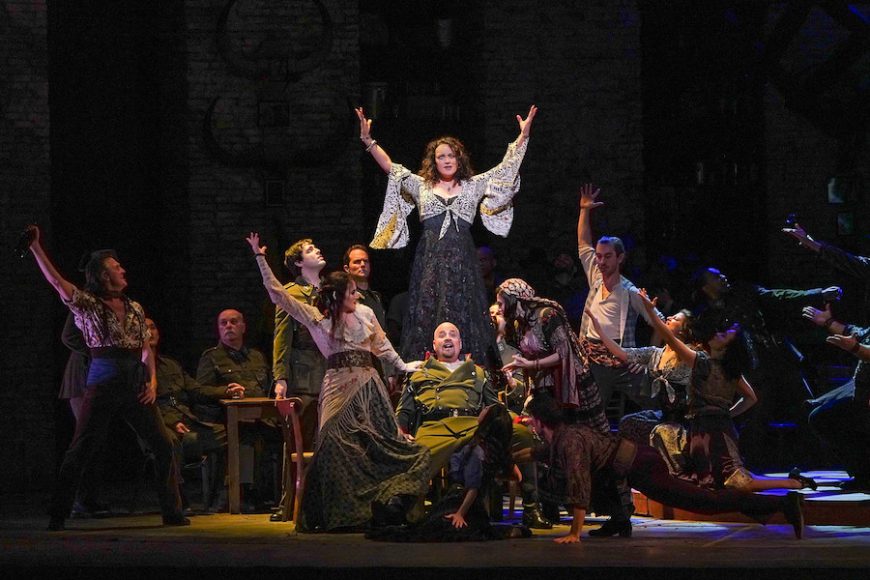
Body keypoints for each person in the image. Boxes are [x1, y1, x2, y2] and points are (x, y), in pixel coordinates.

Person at [246, 232, 430, 531]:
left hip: (369, 387)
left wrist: (404, 365)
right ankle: (342, 515)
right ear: (338, 294)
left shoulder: (367, 313)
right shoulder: (318, 318)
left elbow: (383, 348)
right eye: (352, 292)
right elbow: (277, 293)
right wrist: (259, 257)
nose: (357, 296)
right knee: (333, 447)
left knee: (380, 447)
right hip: (337, 387)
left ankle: (380, 508)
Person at [25, 226, 187, 531]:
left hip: (134, 384)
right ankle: (58, 512)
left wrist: (152, 382)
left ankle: (172, 511)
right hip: (104, 381)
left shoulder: (135, 308)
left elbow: (145, 348)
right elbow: (57, 283)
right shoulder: (89, 304)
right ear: (102, 275)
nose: (123, 270)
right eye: (116, 267)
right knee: (82, 447)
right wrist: (36, 247)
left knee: (162, 444)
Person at [357, 104, 537, 367]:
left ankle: (472, 371)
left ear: (459, 158)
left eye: (452, 155)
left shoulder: (472, 186)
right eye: (441, 156)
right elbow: (391, 168)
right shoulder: (422, 186)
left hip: (463, 261)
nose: (447, 160)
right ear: (434, 161)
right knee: (429, 310)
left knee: (465, 311)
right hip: (430, 261)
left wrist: (523, 136)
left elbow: (504, 169)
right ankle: (427, 368)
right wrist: (368, 140)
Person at [523, 393, 806, 542]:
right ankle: (619, 521)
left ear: (539, 420)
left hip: (642, 466)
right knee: (605, 478)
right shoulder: (562, 436)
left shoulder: (569, 441)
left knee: (704, 502)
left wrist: (574, 532)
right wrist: (516, 455)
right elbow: (543, 451)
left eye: (529, 419)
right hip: (636, 462)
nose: (528, 424)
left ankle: (783, 504)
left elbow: (578, 484)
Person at [638, 289, 817, 493]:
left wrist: (650, 311)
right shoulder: (710, 362)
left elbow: (751, 398)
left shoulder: (715, 364)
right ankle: (791, 481)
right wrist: (727, 414)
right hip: (703, 430)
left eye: (723, 335)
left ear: (727, 346)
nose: (717, 334)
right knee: (711, 481)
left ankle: (792, 483)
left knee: (736, 481)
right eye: (719, 332)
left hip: (716, 432)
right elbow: (750, 399)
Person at [395, 321, 548, 528]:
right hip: (435, 429)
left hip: (472, 426)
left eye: (452, 335)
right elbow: (404, 411)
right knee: (414, 458)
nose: (447, 338)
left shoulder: (477, 372)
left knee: (523, 434)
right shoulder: (419, 373)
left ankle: (531, 506)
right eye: (442, 335)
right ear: (434, 344)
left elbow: (493, 407)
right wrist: (401, 430)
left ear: (460, 343)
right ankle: (408, 507)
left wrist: (515, 421)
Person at [368, 405, 531, 542]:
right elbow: (516, 476)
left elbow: (473, 488)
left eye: (486, 409)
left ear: (488, 420)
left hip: (463, 503)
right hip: (466, 502)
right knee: (428, 525)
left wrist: (460, 513)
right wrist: (492, 475)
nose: (483, 408)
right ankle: (391, 517)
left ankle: (390, 520)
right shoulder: (490, 450)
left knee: (435, 530)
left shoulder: (478, 451)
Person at [576, 183, 664, 408]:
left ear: (620, 258)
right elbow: (583, 244)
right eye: (599, 257)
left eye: (607, 257)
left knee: (652, 397)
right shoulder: (596, 277)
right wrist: (585, 210)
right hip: (592, 356)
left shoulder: (630, 292)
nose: (601, 262)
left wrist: (645, 359)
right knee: (591, 405)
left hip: (621, 356)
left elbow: (661, 324)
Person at [587, 307, 696, 476]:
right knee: (628, 423)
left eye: (675, 319)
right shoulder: (656, 353)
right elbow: (622, 353)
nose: (669, 317)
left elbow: (667, 336)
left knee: (664, 432)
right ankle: (630, 471)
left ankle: (673, 472)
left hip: (682, 421)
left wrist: (648, 308)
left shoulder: (688, 354)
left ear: (684, 330)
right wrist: (599, 330)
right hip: (663, 416)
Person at [149, 318, 242, 511]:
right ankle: (177, 498)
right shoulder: (136, 367)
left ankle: (219, 498)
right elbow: (146, 404)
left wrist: (226, 391)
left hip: (186, 420)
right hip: (157, 424)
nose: (150, 332)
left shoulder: (170, 365)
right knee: (171, 441)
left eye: (153, 327)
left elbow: (196, 390)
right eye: (145, 328)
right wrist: (171, 422)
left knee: (226, 435)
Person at [496, 278, 610, 434]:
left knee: (583, 432)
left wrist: (532, 365)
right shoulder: (519, 323)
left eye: (501, 303)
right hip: (544, 385)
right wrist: (521, 364)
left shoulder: (547, 316)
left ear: (513, 300)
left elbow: (563, 353)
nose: (499, 308)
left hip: (568, 381)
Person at [271, 238, 328, 521]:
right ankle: (291, 501)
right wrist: (280, 377)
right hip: (304, 373)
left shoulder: (330, 289)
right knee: (299, 440)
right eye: (309, 250)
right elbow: (282, 338)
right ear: (298, 263)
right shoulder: (290, 293)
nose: (317, 251)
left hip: (331, 372)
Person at [197, 309, 273, 511]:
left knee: (280, 437)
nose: (228, 326)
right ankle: (243, 495)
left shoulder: (257, 357)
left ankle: (275, 495)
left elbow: (268, 387)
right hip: (226, 420)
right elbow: (200, 391)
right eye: (223, 323)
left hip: (262, 417)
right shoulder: (211, 357)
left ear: (243, 327)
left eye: (233, 322)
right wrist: (226, 391)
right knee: (246, 439)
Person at [801, 306, 870, 490]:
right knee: (823, 416)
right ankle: (864, 473)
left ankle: (865, 474)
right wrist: (828, 322)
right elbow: (858, 333)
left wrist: (854, 347)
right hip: (861, 392)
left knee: (825, 418)